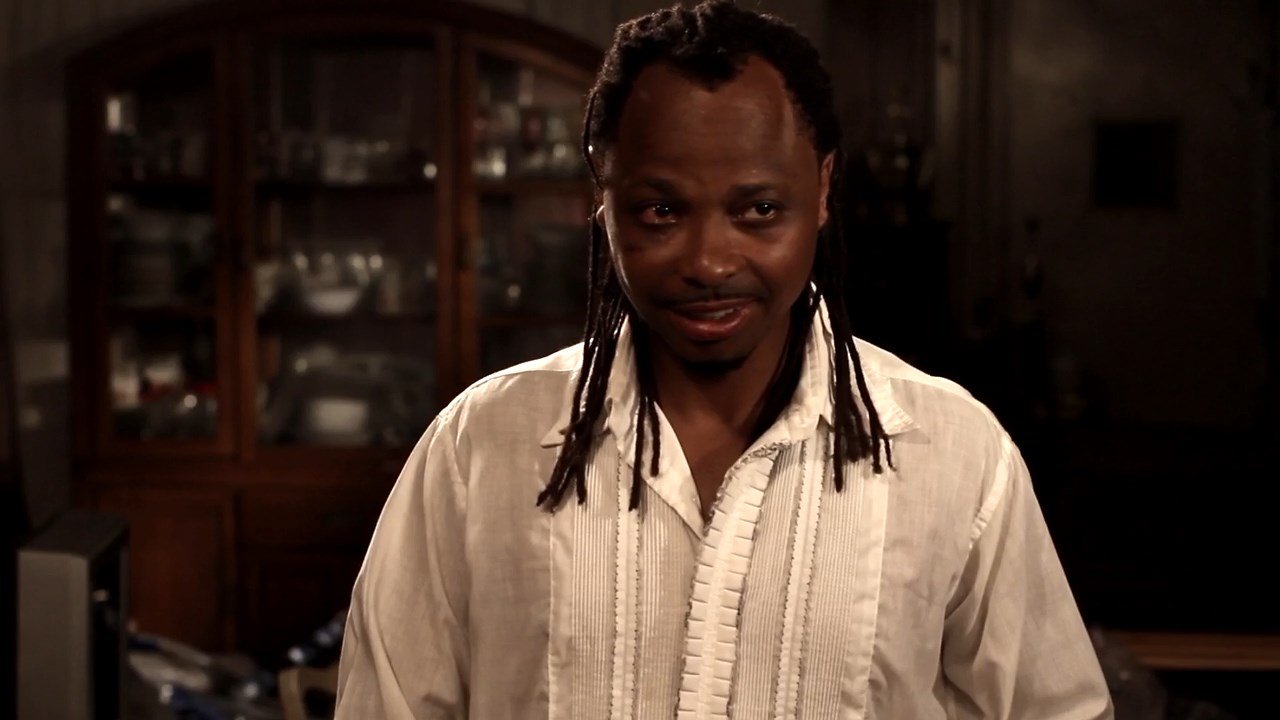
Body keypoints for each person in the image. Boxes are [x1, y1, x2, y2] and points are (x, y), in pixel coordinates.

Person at [334, 2, 1113, 717]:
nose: (709, 261)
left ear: (824, 187)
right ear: (602, 196)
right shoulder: (481, 445)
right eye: (661, 211)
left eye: (759, 210)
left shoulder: (954, 454)